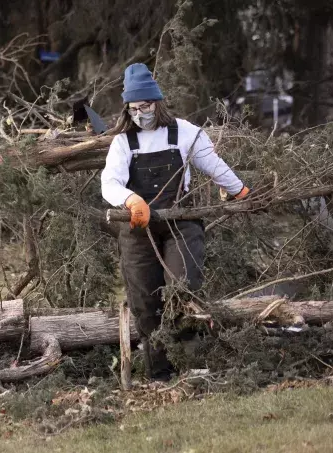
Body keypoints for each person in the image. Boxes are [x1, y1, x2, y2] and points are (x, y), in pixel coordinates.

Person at [101, 64, 250, 379]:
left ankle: (193, 365)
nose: (141, 113)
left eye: (146, 106)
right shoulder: (122, 142)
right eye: (134, 108)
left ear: (158, 103)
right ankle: (159, 373)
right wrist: (130, 200)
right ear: (127, 109)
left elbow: (214, 164)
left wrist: (240, 190)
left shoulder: (186, 132)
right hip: (137, 229)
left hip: (180, 223)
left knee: (184, 290)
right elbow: (109, 183)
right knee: (145, 301)